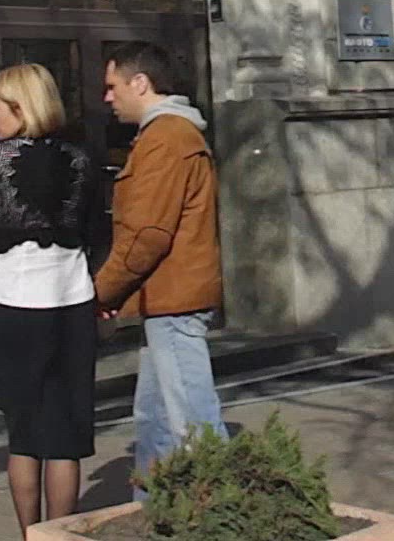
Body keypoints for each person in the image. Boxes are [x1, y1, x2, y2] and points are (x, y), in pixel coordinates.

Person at [0, 63, 101, 534]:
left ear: (21, 109)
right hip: (71, 300)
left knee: (23, 434)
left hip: (13, 302)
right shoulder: (83, 158)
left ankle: (28, 533)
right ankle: (59, 535)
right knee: (65, 437)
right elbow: (99, 232)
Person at [92, 41, 226, 489]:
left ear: (140, 83)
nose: (107, 97)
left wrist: (102, 290)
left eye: (112, 86)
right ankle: (156, 511)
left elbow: (147, 235)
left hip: (174, 304)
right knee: (157, 422)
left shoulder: (166, 138)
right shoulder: (166, 135)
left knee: (192, 424)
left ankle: (219, 510)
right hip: (166, 302)